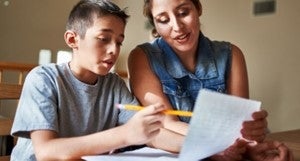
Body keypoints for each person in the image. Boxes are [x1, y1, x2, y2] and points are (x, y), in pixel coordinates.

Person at [127, 0, 286, 160]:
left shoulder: (232, 55)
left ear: (198, 8)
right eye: (163, 20)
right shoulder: (142, 57)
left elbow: (239, 127)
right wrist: (219, 143)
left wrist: (250, 138)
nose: (177, 27)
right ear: (154, 23)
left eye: (183, 13)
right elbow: (166, 123)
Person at [10, 0, 166, 160]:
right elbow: (46, 152)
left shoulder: (114, 85)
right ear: (72, 40)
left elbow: (152, 134)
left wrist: (191, 143)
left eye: (119, 42)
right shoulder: (43, 79)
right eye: (104, 38)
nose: (114, 50)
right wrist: (124, 135)